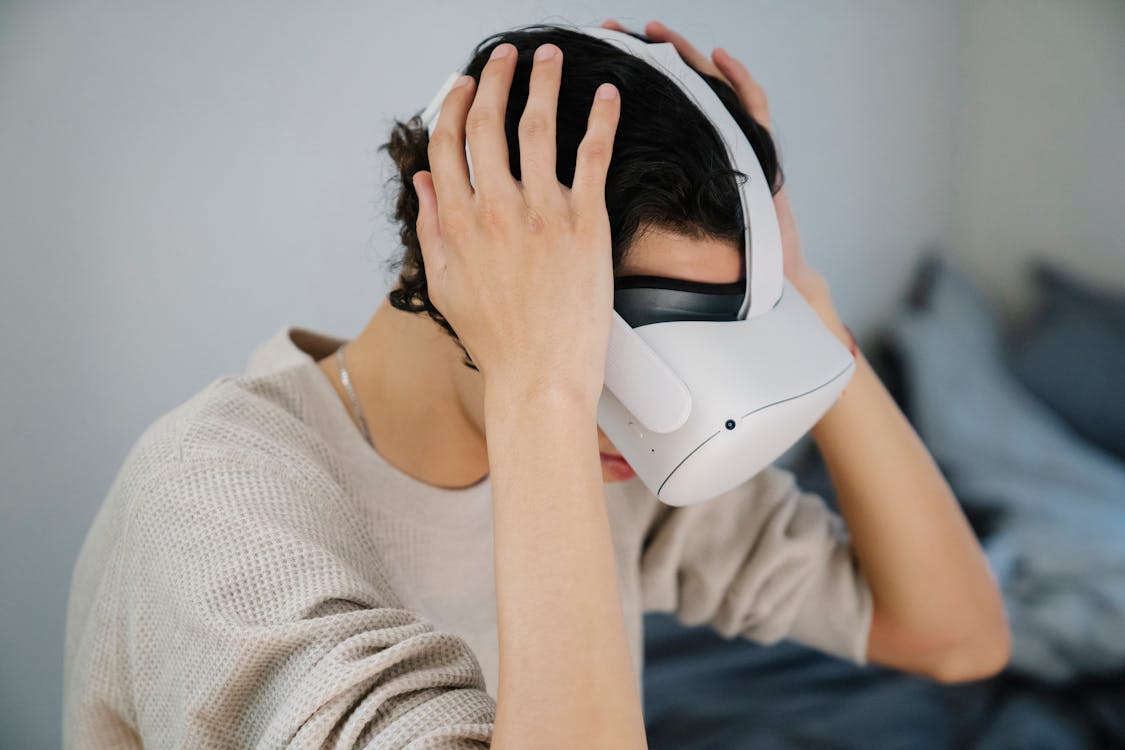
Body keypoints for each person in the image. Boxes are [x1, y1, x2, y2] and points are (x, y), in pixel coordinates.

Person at [62, 19, 1010, 748]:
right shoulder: (211, 502)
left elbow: (954, 636)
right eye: (619, 347)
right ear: (469, 260)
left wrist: (797, 304)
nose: (651, 409)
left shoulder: (608, 458)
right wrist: (543, 389)